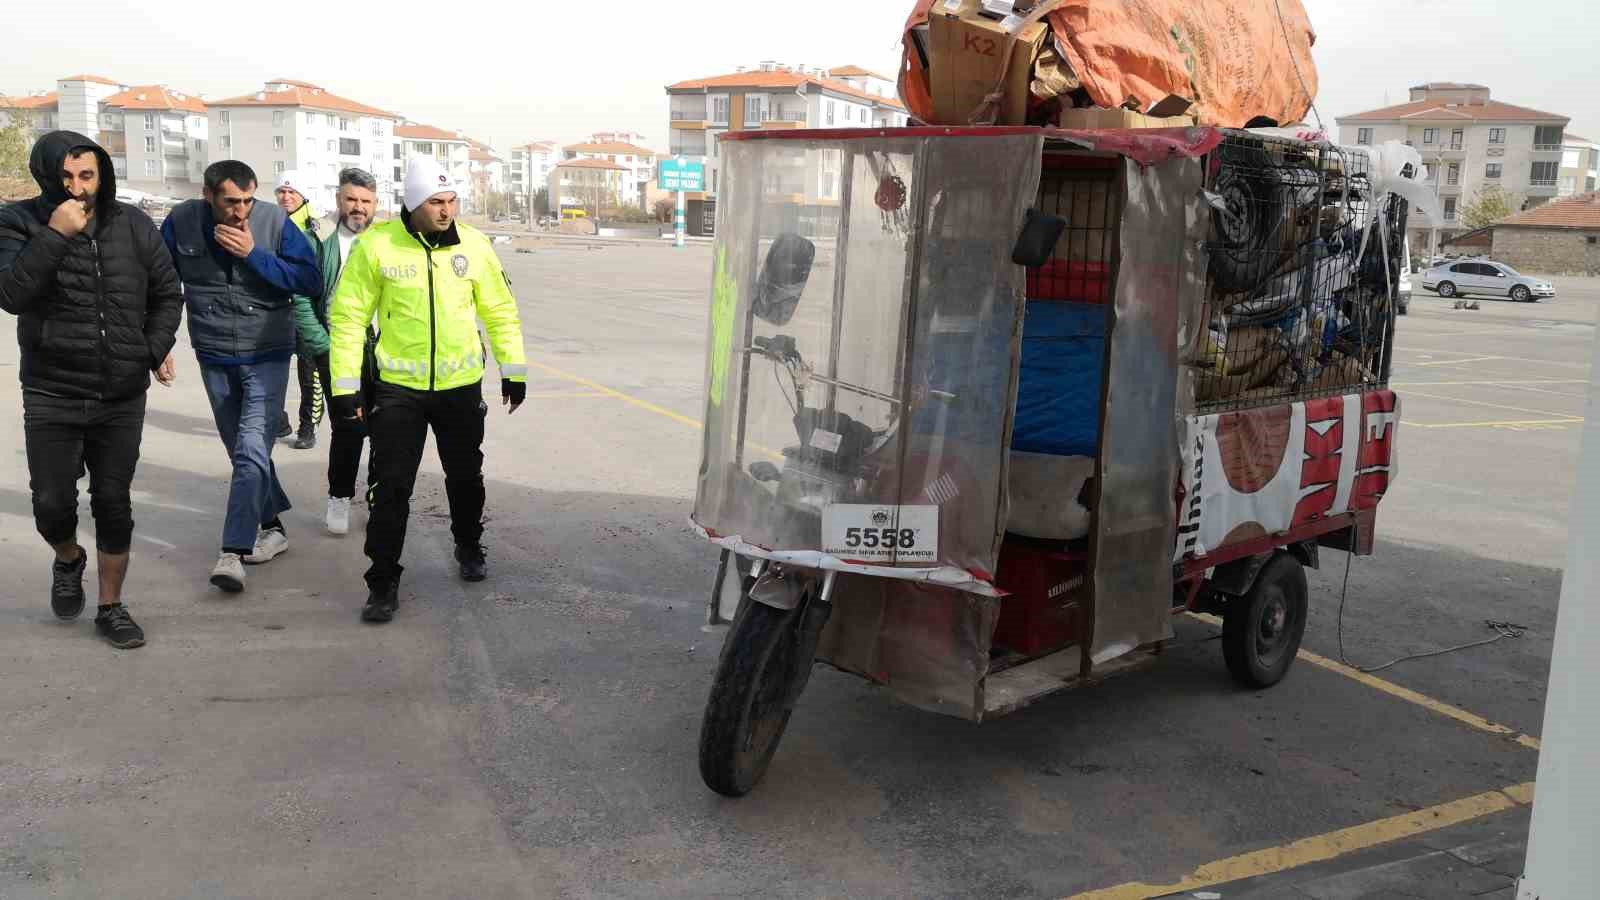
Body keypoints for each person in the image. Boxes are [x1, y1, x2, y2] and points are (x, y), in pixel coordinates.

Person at [0, 130, 184, 648]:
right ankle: (67, 557)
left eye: (87, 175)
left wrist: (149, 348)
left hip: (120, 395)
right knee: (51, 504)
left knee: (113, 501)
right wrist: (55, 234)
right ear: (46, 177)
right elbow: (12, 295)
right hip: (52, 390)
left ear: (102, 173)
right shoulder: (18, 221)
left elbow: (168, 292)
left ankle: (111, 606)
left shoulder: (133, 223)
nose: (78, 187)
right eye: (66, 177)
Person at [327, 158, 527, 624]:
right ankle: (382, 580)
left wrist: (513, 370)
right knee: (392, 486)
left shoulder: (474, 246)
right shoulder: (378, 246)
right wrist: (345, 388)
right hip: (399, 391)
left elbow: (499, 310)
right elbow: (349, 318)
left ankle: (468, 544)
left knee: (465, 476)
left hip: (460, 388)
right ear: (413, 204)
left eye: (451, 201)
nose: (446, 210)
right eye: (436, 202)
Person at [160, 160, 322, 593]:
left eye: (248, 200)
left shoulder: (274, 221)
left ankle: (232, 552)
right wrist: (158, 344)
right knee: (242, 451)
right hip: (214, 354)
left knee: (252, 447)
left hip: (267, 353)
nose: (241, 211)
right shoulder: (181, 222)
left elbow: (309, 280)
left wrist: (255, 255)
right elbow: (160, 284)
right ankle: (272, 524)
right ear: (207, 195)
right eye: (231, 202)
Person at [288, 167, 380, 535]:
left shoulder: (389, 239)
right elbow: (300, 299)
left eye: (366, 201)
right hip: (337, 349)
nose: (358, 207)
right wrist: (323, 347)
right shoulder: (319, 238)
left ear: (376, 204)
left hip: (383, 351)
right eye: (351, 199)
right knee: (349, 426)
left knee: (386, 427)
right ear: (339, 200)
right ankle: (340, 496)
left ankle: (377, 494)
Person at [274, 170, 323, 448]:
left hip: (307, 312)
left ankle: (308, 428)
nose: (286, 196)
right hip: (276, 310)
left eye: (292, 192)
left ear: (303, 196)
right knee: (273, 369)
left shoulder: (317, 227)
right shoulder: (269, 223)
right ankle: (278, 420)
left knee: (309, 373)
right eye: (281, 191)